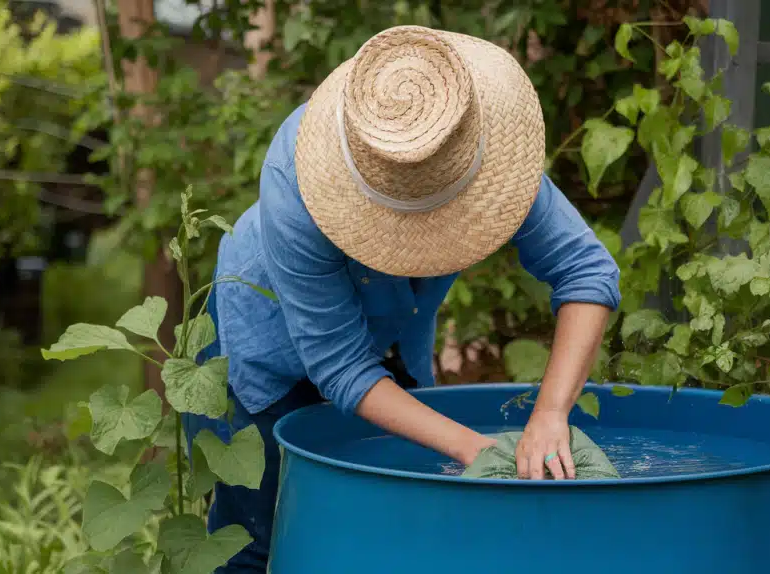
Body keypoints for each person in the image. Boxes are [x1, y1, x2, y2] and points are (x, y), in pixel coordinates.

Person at [183, 25, 620, 573]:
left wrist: (551, 413)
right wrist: (475, 447)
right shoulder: (297, 178)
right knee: (255, 540)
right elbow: (340, 367)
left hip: (394, 336)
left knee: (394, 527)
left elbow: (587, 272)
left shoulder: (485, 153)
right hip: (261, 346)